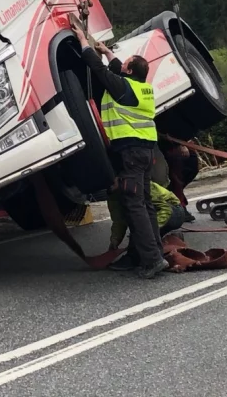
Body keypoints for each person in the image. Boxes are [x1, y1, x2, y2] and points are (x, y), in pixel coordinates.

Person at [74, 26, 168, 279]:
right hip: (146, 152)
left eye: (124, 63)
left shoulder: (123, 88)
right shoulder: (140, 88)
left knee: (135, 206)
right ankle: (155, 253)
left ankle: (152, 260)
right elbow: (116, 69)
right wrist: (106, 51)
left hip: (132, 154)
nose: (121, 65)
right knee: (146, 205)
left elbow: (101, 72)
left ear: (129, 71)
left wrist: (84, 42)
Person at [108, 178, 186, 251]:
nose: (110, 186)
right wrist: (115, 240)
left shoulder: (139, 186)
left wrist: (148, 231)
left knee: (140, 233)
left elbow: (166, 210)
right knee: (138, 230)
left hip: (175, 211)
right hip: (157, 213)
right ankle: (171, 238)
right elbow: (119, 220)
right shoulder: (113, 195)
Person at [160, 139, 199, 222]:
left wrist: (185, 142)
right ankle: (178, 204)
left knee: (192, 163)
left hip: (176, 140)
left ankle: (174, 198)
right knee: (175, 166)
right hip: (162, 145)